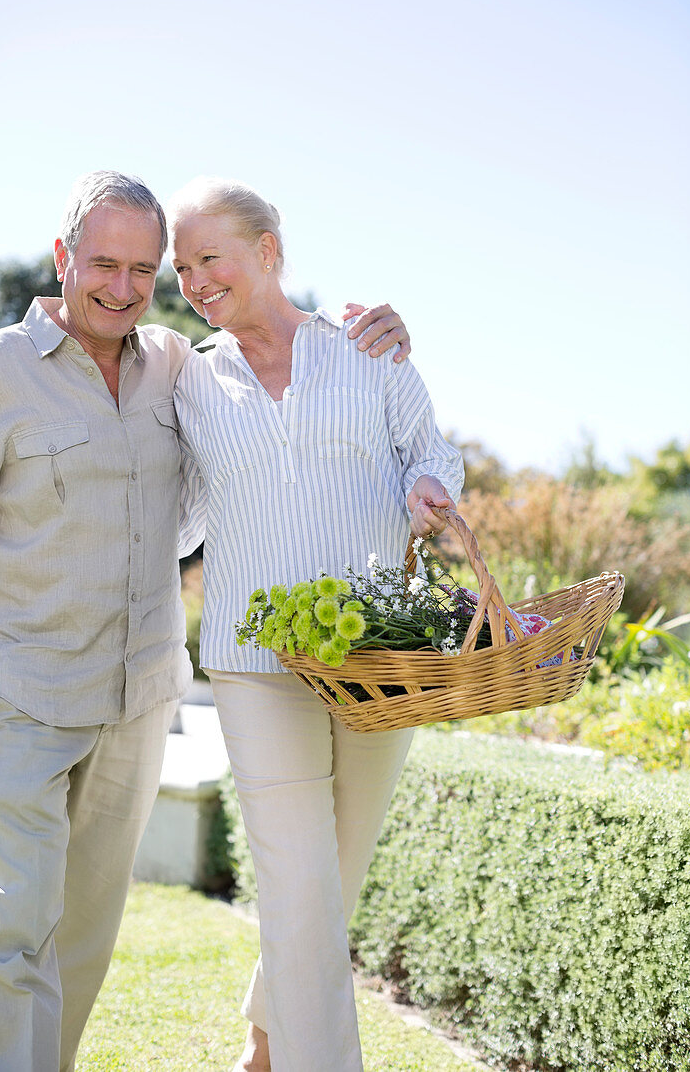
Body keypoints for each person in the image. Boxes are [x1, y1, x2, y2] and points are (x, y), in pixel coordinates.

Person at [0, 170, 411, 1072]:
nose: (123, 289)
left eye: (145, 270)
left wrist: (381, 337)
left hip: (138, 697)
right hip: (20, 690)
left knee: (86, 937)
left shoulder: (175, 366)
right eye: (103, 264)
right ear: (63, 258)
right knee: (13, 932)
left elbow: (273, 395)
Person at [170, 176, 465, 1072]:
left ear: (268, 250)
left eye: (208, 257)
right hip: (256, 660)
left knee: (331, 875)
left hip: (382, 655)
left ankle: (267, 1041)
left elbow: (433, 451)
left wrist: (430, 490)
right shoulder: (186, 380)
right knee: (297, 876)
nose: (193, 280)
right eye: (180, 267)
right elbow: (179, 516)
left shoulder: (368, 351)